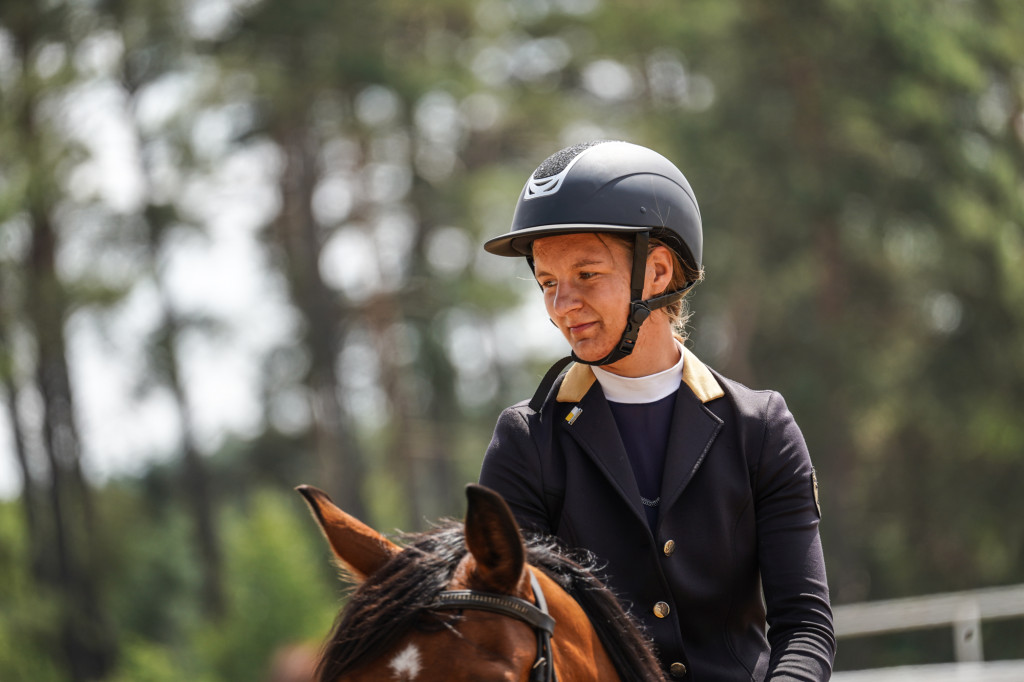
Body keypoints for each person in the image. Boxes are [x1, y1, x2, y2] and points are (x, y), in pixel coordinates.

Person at [478, 140, 835, 681]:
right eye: (548, 283)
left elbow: (805, 625)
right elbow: (509, 632)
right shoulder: (526, 441)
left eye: (586, 276)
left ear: (658, 272)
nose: (561, 305)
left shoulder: (762, 429)